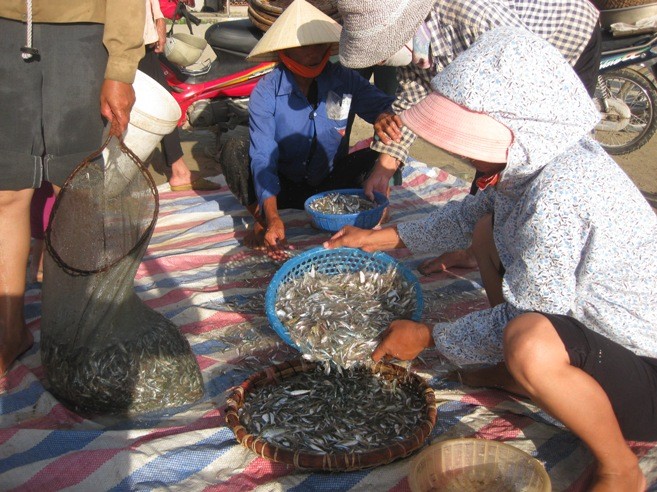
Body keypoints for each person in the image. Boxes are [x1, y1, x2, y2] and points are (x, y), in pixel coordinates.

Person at [324, 27, 656, 491]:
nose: (459, 152)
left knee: (529, 340)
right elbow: (468, 216)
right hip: (596, 338)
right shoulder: (545, 157)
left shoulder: (557, 195)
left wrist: (428, 336)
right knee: (484, 229)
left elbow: (536, 315)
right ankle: (518, 374)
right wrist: (377, 239)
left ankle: (620, 468)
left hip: (645, 372)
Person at [336, 0, 602, 275]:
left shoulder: (475, 21)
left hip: (567, 36)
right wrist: (383, 169)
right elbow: (411, 100)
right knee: (489, 195)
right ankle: (478, 245)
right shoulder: (417, 39)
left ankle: (511, 249)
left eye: (379, 53)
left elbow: (518, 96)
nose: (379, 62)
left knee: (531, 175)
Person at [0, 0, 145, 375]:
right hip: (4, 28)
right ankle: (9, 332)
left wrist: (121, 66)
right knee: (5, 192)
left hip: (80, 32)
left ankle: (71, 332)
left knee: (76, 192)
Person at [222, 0, 395, 260]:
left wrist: (384, 117)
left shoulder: (344, 78)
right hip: (283, 186)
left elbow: (382, 107)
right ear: (285, 50)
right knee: (233, 146)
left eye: (319, 44)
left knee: (388, 150)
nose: (313, 52)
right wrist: (272, 216)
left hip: (331, 183)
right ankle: (264, 219)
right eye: (304, 46)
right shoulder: (266, 92)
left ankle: (359, 217)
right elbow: (262, 156)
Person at [139, 0, 220, 191]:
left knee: (162, 99)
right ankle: (178, 170)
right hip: (127, 33)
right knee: (155, 101)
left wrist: (158, 18)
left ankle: (178, 169)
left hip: (142, 29)